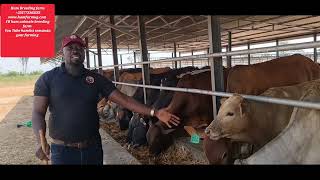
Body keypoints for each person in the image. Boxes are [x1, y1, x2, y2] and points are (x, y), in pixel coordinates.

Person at [32, 34, 180, 165]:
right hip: (62, 152)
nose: (75, 50)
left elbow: (124, 100)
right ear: (62, 51)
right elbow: (38, 112)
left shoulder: (96, 79)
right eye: (70, 47)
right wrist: (40, 142)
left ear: (84, 52)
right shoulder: (48, 79)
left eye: (79, 47)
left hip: (92, 149)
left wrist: (155, 112)